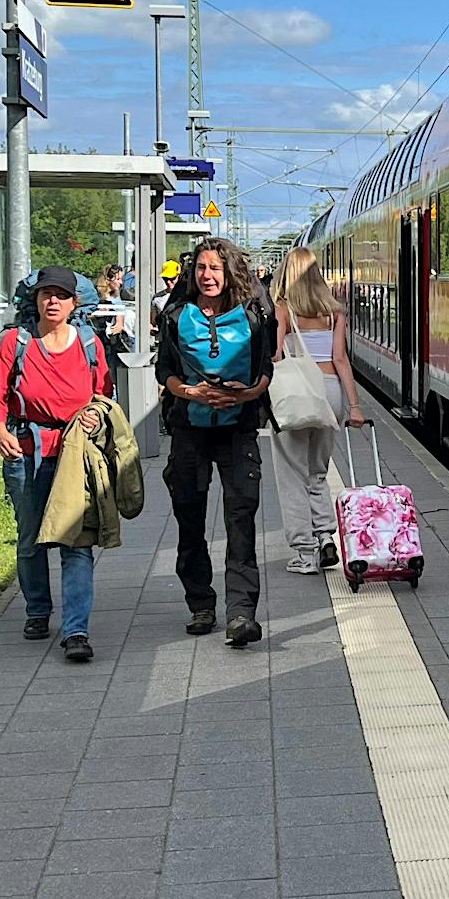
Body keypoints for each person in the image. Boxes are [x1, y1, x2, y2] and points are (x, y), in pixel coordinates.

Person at [0, 267, 112, 662]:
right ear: (36, 300)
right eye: (45, 294)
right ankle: (37, 610)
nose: (52, 301)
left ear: (75, 303)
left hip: (74, 454)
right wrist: (0, 430)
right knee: (30, 537)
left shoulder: (89, 343)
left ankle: (76, 631)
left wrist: (95, 414)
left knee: (77, 541)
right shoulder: (16, 342)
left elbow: (104, 394)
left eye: (61, 295)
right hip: (25, 451)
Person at [155, 238, 275, 645]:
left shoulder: (254, 315)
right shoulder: (176, 315)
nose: (208, 276)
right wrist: (192, 393)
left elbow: (265, 370)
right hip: (188, 430)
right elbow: (165, 371)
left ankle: (241, 613)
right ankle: (200, 603)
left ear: (230, 273)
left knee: (240, 519)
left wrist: (244, 395)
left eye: (216, 269)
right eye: (202, 268)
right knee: (190, 518)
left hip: (237, 429)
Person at [272, 246, 366, 575]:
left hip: (297, 392)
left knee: (292, 473)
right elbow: (340, 359)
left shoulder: (283, 309)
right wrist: (355, 406)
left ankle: (304, 553)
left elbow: (275, 354)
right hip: (330, 391)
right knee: (318, 471)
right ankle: (326, 537)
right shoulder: (333, 312)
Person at [92, 263, 135, 373]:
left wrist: (119, 323)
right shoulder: (95, 296)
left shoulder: (115, 297)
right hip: (97, 341)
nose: (121, 283)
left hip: (111, 343)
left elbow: (120, 319)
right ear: (108, 279)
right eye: (118, 279)